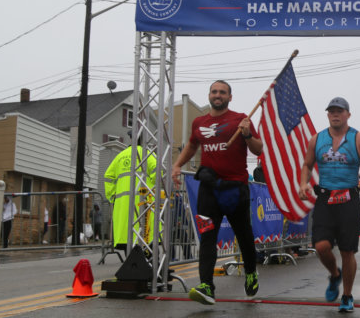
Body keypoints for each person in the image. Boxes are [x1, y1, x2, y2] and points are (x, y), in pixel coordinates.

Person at [172, 80, 263, 305]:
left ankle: (251, 272)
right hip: (209, 190)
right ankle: (207, 287)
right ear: (209, 95)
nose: (218, 95)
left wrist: (247, 135)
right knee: (207, 238)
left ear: (230, 97)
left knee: (244, 237)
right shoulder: (199, 122)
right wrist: (176, 165)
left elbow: (259, 149)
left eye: (222, 92)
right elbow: (192, 146)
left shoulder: (241, 119)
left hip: (235, 190)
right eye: (214, 91)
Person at [299, 97, 360, 313]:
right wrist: (303, 184)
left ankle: (347, 295)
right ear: (328, 115)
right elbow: (307, 165)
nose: (335, 115)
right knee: (321, 246)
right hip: (325, 199)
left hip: (348, 199)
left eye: (339, 111)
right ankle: (334, 275)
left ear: (348, 115)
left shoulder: (358, 138)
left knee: (347, 251)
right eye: (332, 111)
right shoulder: (317, 139)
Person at [104, 133, 157, 251]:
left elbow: (108, 177)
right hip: (143, 203)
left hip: (123, 204)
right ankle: (146, 265)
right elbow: (159, 171)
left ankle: (130, 264)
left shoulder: (120, 156)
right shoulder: (147, 154)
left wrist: (112, 196)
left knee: (126, 237)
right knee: (145, 237)